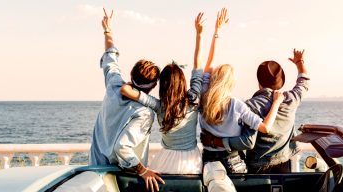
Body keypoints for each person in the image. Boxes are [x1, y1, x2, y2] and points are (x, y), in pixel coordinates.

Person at [199, 8, 285, 192]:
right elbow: (265, 128)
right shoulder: (237, 105)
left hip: (208, 161)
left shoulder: (204, 95)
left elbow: (209, 62)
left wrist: (217, 31)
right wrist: (276, 103)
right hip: (233, 163)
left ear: (214, 78)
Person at [119, 12, 205, 174]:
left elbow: (125, 90)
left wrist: (134, 83)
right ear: (182, 82)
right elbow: (198, 65)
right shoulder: (194, 99)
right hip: (191, 162)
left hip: (166, 160)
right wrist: (199, 34)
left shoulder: (159, 106)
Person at [88, 8, 164, 192]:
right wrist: (142, 170)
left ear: (132, 74)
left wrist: (107, 30)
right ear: (153, 86)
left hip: (94, 172)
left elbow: (110, 58)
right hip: (120, 180)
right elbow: (122, 148)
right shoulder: (144, 113)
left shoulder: (113, 85)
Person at [200, 49, 310, 174]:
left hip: (258, 168)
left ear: (259, 82)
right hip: (284, 164)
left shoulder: (251, 105)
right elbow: (304, 83)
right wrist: (299, 63)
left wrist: (216, 141)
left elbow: (248, 141)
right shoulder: (291, 99)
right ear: (281, 83)